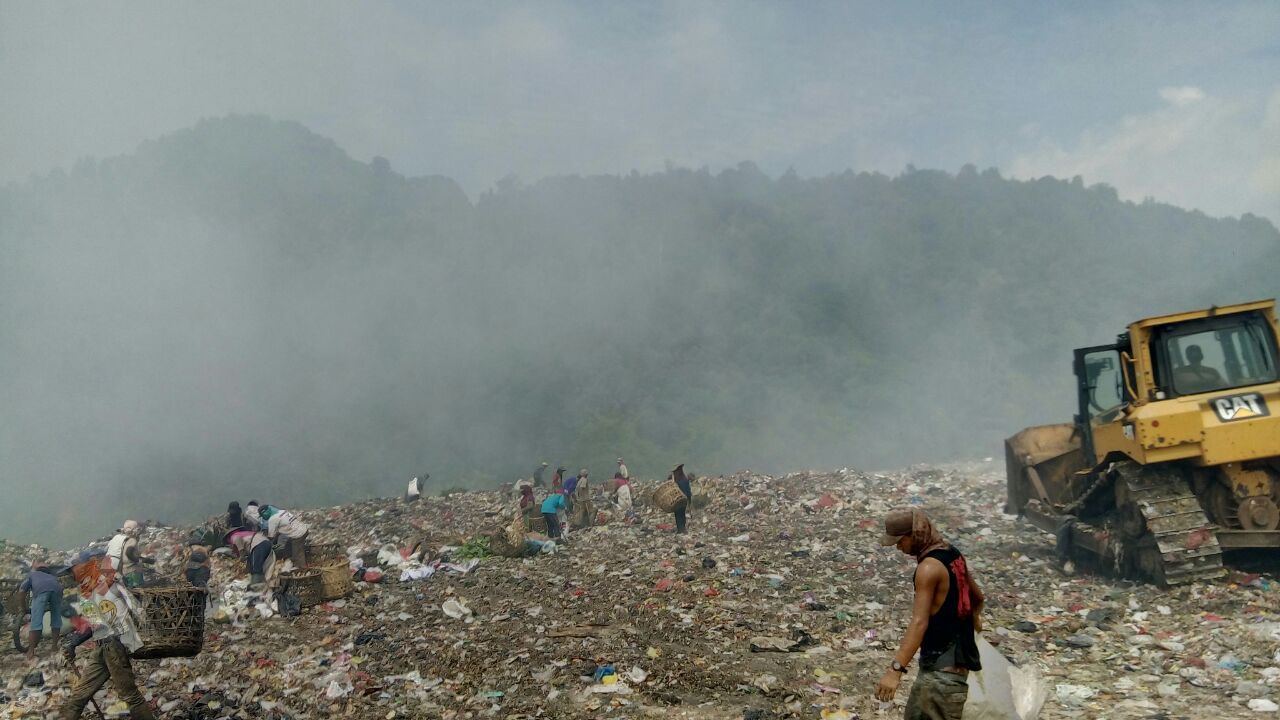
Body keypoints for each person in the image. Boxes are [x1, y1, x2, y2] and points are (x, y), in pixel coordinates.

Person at [875, 508, 984, 720]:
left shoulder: (928, 569)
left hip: (941, 678)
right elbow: (977, 597)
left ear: (914, 534)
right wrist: (972, 619)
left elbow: (919, 623)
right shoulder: (953, 555)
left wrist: (895, 670)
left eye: (900, 541)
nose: (898, 547)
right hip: (948, 671)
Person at [59, 558, 155, 720]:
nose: (70, 575)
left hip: (114, 645)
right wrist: (73, 643)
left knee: (130, 696)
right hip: (103, 646)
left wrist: (74, 643)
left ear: (81, 568)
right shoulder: (88, 588)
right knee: (79, 696)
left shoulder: (104, 586)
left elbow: (97, 623)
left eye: (71, 571)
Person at [19, 560, 63, 660]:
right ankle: (54, 647)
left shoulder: (31, 575)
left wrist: (24, 608)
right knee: (56, 619)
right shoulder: (52, 576)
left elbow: (21, 593)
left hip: (41, 592)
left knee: (36, 622)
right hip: (57, 590)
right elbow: (61, 590)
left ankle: (31, 651)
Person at [261, 505, 310, 569]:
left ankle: (302, 568)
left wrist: (266, 544)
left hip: (298, 535)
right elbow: (280, 529)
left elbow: (271, 536)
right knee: (288, 547)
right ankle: (289, 561)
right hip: (303, 529)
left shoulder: (272, 519)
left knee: (297, 553)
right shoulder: (282, 511)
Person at [105, 520, 150, 587]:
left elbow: (107, 549)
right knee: (135, 583)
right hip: (121, 566)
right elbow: (128, 555)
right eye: (136, 528)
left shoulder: (116, 537)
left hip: (107, 563)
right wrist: (145, 560)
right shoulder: (131, 540)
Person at [672, 464, 692, 534]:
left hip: (679, 500)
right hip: (683, 500)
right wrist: (689, 500)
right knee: (681, 514)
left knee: (678, 514)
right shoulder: (684, 480)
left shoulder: (677, 482)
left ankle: (681, 529)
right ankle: (682, 528)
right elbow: (688, 492)